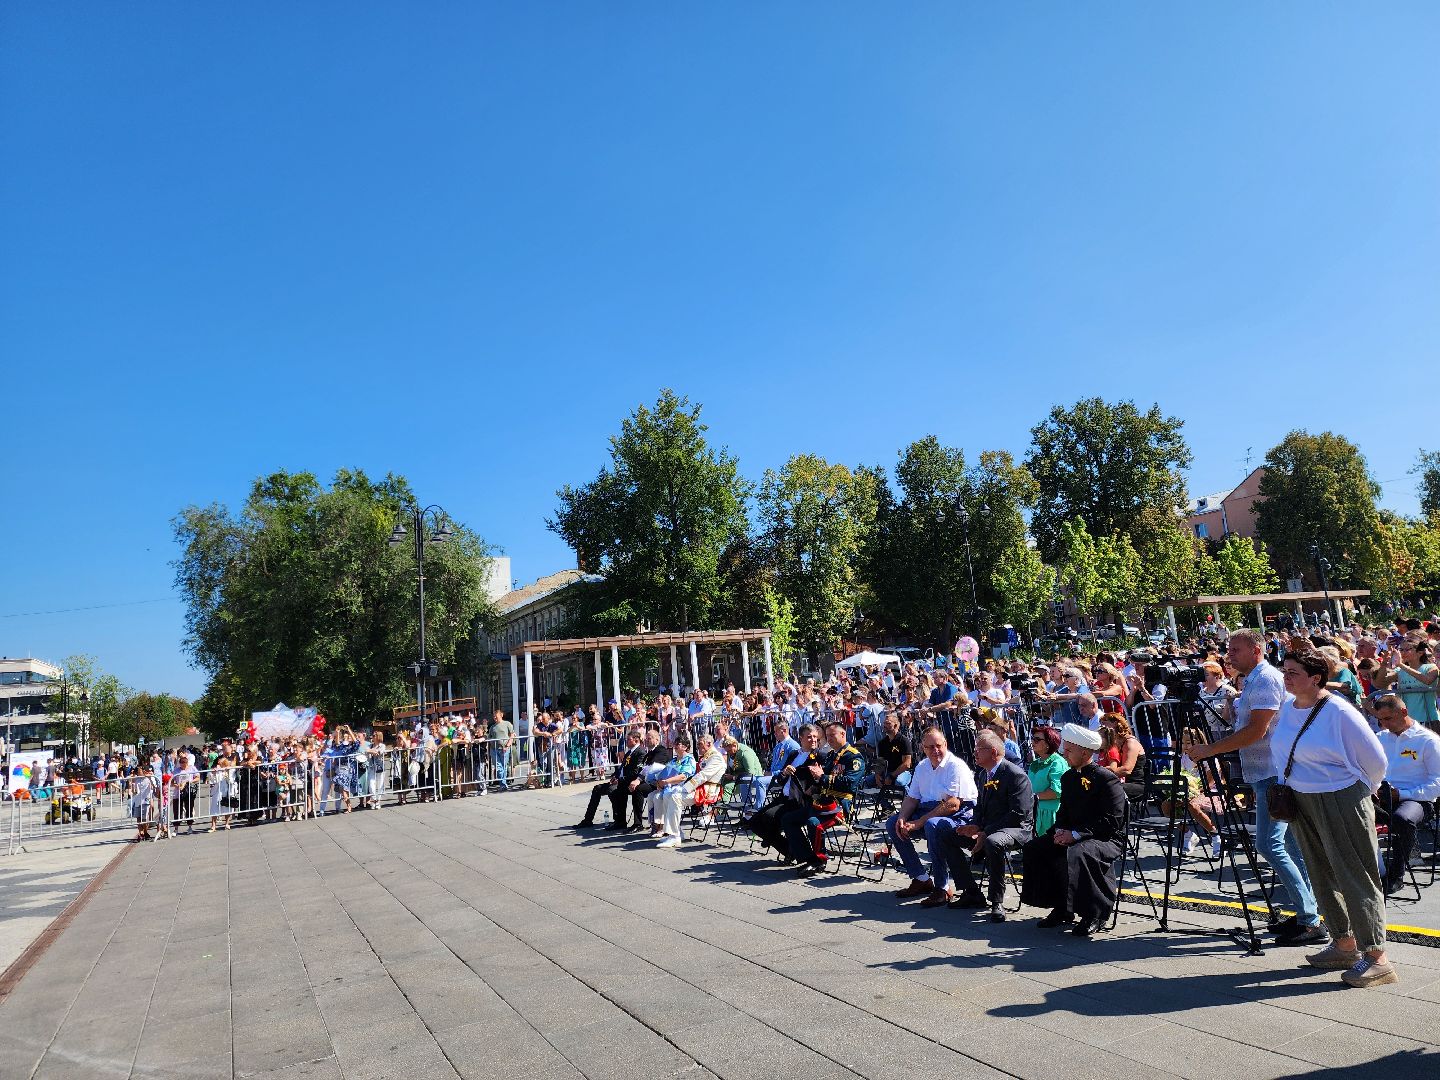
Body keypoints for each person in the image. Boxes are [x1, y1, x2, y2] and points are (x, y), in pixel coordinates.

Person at [1189, 628, 1323, 946]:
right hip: (1267, 772)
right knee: (1290, 846)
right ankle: (1309, 914)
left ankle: (1310, 919)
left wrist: (1210, 749)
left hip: (1274, 775)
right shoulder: (1252, 679)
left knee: (1268, 844)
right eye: (1229, 649)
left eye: (1236, 649)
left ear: (1257, 650)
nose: (1229, 654)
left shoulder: (1265, 679)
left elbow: (1257, 730)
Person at [1273, 652, 1393, 988]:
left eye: (1294, 672)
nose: (1287, 677)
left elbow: (1376, 761)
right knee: (1320, 872)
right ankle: (1344, 943)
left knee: (1355, 874)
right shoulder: (1289, 708)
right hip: (1301, 798)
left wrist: (1359, 791)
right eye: (1285, 671)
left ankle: (1376, 956)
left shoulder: (1339, 710)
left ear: (1316, 678)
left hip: (1340, 797)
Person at [1020, 723, 1126, 937]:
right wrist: (1059, 831)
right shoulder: (1068, 778)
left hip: (1105, 838)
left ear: (1085, 752)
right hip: (1076, 834)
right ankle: (1062, 906)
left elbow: (1111, 821)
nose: (1064, 753)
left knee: (1079, 852)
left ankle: (1094, 914)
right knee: (1036, 848)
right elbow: (1064, 813)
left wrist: (1076, 835)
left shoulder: (1106, 779)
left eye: (1069, 750)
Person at [939, 731, 1034, 921]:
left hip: (1016, 830)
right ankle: (970, 891)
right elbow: (980, 806)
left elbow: (1018, 815)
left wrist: (985, 831)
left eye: (978, 750)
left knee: (993, 842)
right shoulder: (983, 775)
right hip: (989, 828)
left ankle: (996, 901)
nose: (974, 753)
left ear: (992, 752)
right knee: (947, 835)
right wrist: (974, 826)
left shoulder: (1015, 775)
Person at [888, 728, 979, 906]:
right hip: (928, 810)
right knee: (893, 823)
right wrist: (902, 817)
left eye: (938, 746)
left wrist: (918, 823)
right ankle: (921, 878)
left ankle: (942, 887)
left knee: (932, 825)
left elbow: (953, 804)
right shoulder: (922, 766)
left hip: (958, 815)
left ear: (945, 744)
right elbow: (912, 797)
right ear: (923, 748)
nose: (935, 751)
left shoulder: (956, 766)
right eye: (930, 747)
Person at [1371, 693, 1440, 894]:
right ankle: (1376, 871)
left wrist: (1402, 794)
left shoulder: (1428, 740)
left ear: (1404, 712)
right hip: (1383, 795)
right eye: (1380, 720)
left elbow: (1437, 783)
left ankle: (1397, 873)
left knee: (1402, 818)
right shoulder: (1380, 738)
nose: (1383, 724)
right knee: (1353, 812)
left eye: (1388, 718)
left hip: (1418, 799)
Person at [783, 720, 866, 875]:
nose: (829, 739)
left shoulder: (853, 757)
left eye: (832, 735)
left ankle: (819, 861)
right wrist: (814, 785)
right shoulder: (830, 755)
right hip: (822, 803)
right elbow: (822, 778)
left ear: (843, 734)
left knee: (813, 822)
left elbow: (849, 783)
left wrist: (822, 777)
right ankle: (807, 858)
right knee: (788, 819)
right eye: (827, 736)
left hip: (840, 805)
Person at [747, 725, 822, 856]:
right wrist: (785, 772)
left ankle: (783, 844)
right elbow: (780, 779)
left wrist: (812, 787)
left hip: (799, 799)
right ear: (801, 738)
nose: (813, 740)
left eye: (815, 736)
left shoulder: (819, 756)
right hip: (785, 796)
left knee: (769, 818)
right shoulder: (794, 754)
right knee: (754, 823)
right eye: (809, 737)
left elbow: (820, 782)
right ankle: (787, 849)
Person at [573, 728, 643, 829]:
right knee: (597, 788)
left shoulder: (640, 752)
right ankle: (588, 820)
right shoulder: (629, 753)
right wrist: (615, 776)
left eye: (629, 739)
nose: (626, 741)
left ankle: (619, 820)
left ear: (636, 740)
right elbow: (621, 768)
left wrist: (620, 779)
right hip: (620, 780)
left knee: (612, 790)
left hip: (627, 782)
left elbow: (635, 772)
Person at [625, 725, 673, 830]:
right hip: (649, 780)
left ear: (657, 739)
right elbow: (641, 768)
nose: (647, 740)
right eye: (646, 738)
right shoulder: (649, 753)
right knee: (624, 786)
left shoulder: (661, 751)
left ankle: (638, 823)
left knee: (638, 789)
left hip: (659, 783)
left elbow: (651, 768)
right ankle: (620, 820)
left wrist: (638, 780)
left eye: (649, 738)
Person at [1026, 725, 1068, 838]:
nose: (1032, 742)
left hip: (1051, 816)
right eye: (1032, 739)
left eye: (1037, 739)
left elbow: (1056, 791)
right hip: (1036, 812)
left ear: (1048, 743)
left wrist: (1033, 797)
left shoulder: (1057, 762)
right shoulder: (1035, 763)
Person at [875, 713, 915, 793]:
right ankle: (885, 803)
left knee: (899, 782)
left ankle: (909, 798)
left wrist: (891, 776)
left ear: (896, 725)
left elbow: (907, 764)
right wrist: (877, 775)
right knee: (867, 781)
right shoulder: (882, 742)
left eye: (888, 723)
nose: (884, 725)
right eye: (884, 723)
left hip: (903, 772)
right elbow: (880, 761)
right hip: (887, 772)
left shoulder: (903, 741)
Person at [488, 710, 516, 792]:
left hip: (504, 749)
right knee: (499, 767)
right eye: (494, 716)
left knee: (503, 766)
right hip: (494, 749)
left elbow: (512, 735)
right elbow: (489, 737)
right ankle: (503, 784)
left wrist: (507, 745)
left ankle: (503, 784)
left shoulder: (507, 724)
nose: (495, 718)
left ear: (501, 715)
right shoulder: (492, 727)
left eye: (496, 716)